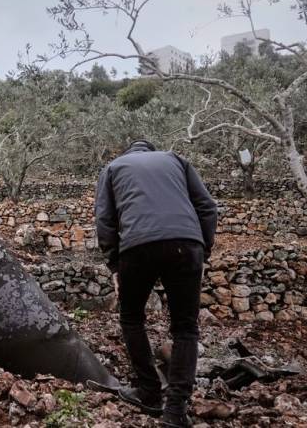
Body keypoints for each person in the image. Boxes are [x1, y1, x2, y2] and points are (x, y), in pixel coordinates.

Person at [95, 140, 217, 427]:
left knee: (131, 318)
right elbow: (208, 207)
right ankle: (175, 410)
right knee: (186, 328)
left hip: (138, 247)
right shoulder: (175, 159)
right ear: (151, 151)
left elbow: (105, 220)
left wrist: (114, 264)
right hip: (187, 245)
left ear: (128, 152)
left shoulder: (113, 167)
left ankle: (149, 391)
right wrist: (202, 250)